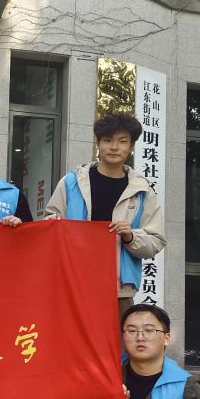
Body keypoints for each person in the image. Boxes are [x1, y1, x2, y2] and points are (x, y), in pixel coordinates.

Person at [44, 113, 166, 316]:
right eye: (108, 140)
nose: (114, 147)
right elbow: (49, 223)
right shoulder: (72, 182)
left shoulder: (142, 191)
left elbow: (156, 240)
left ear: (132, 146)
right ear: (97, 143)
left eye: (122, 141)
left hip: (118, 289)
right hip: (71, 282)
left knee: (116, 337)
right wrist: (53, 223)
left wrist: (131, 236)